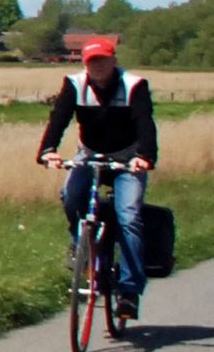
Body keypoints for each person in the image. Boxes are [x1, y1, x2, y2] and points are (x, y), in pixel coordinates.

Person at [38, 37, 158, 319]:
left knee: (128, 216)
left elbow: (145, 122)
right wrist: (48, 151)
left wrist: (146, 156)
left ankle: (128, 291)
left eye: (103, 60)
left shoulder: (134, 85)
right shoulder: (75, 84)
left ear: (114, 60)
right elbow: (59, 118)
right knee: (71, 197)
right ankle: (81, 248)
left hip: (127, 158)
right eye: (92, 62)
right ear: (85, 64)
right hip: (89, 154)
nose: (98, 67)